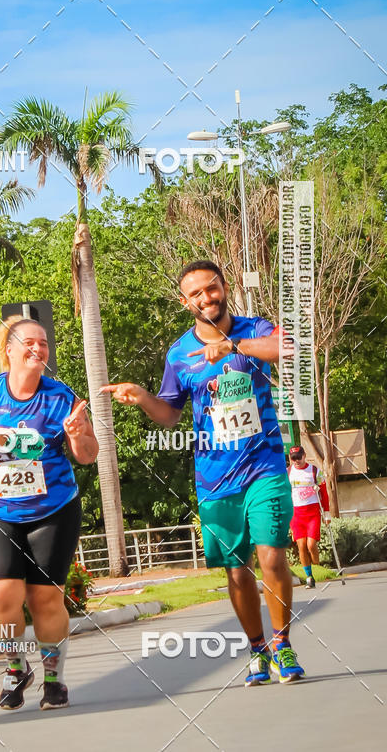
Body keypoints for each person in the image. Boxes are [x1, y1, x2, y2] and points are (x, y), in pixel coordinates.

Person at [101, 260, 305, 686]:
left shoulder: (253, 328)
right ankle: (257, 650)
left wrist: (236, 348)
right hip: (215, 477)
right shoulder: (178, 354)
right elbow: (170, 415)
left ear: (224, 287)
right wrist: (141, 397)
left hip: (264, 463)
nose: (205, 298)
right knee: (236, 570)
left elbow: (288, 348)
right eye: (195, 294)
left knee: (271, 554)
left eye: (211, 289)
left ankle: (283, 643)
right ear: (185, 302)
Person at [0, 315, 98, 711]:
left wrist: (80, 434)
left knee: (46, 599)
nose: (38, 349)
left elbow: (87, 456)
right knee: (1, 596)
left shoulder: (61, 395)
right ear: (8, 350)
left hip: (53, 509)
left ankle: (53, 679)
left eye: (44, 343)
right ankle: (16, 667)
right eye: (30, 342)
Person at [288, 445, 330, 589]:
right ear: (290, 459)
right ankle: (309, 577)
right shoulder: (288, 473)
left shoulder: (314, 471)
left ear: (304, 455)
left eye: (299, 457)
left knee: (311, 545)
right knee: (301, 545)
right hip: (296, 514)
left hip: (312, 513)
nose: (296, 460)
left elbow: (324, 494)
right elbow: (283, 494)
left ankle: (317, 565)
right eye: (293, 458)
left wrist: (327, 513)